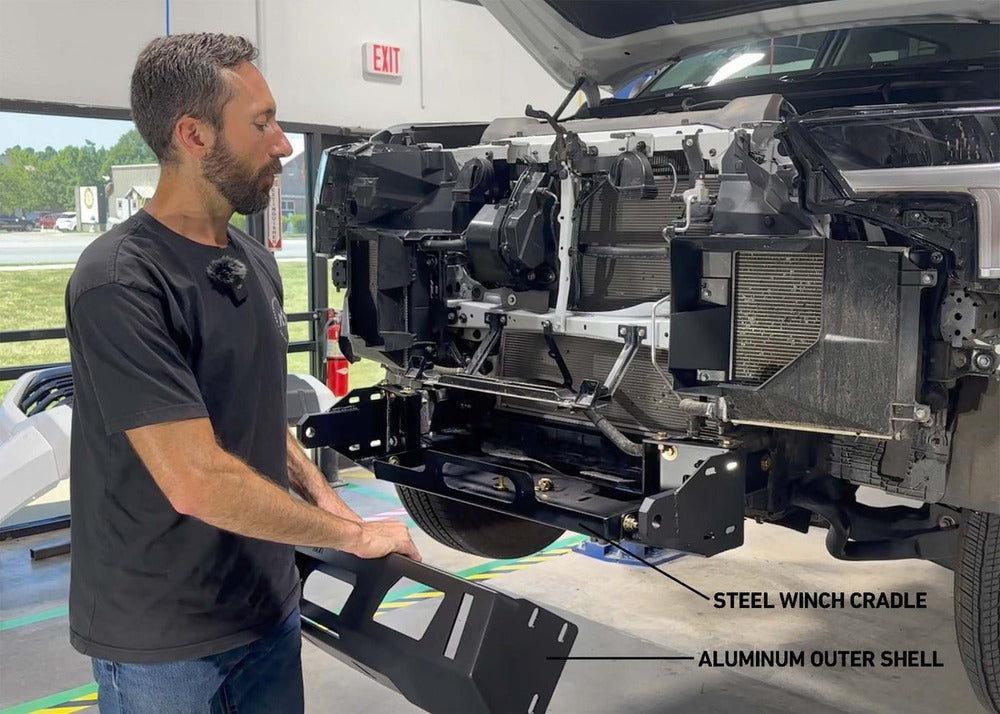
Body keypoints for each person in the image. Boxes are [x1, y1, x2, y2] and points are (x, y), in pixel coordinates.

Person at [64, 33, 420, 713]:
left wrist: (328, 500)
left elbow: (255, 419)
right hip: (165, 644)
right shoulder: (120, 280)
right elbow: (196, 480)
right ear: (195, 136)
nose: (284, 144)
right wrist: (351, 535)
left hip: (267, 610)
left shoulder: (252, 264)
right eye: (261, 123)